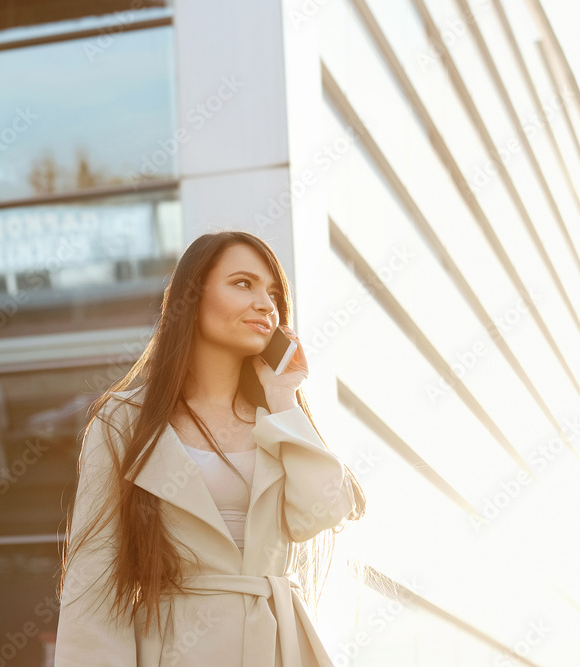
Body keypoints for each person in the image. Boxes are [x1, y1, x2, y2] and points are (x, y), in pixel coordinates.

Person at [54, 230, 367, 666]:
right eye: (243, 283)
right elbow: (94, 579)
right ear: (192, 296)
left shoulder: (278, 418)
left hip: (279, 649)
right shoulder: (125, 421)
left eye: (273, 293)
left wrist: (282, 396)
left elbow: (325, 510)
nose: (266, 304)